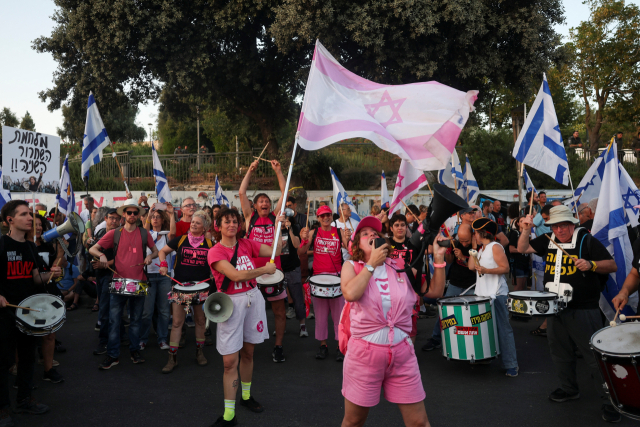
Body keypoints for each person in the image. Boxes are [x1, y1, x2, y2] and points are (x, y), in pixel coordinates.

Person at [339, 216, 446, 427]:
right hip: (364, 356)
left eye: (376, 233)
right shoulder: (352, 266)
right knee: (354, 421)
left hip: (402, 356)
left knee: (419, 422)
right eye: (365, 233)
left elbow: (434, 291)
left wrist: (439, 259)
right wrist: (371, 264)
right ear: (357, 245)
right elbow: (350, 293)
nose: (372, 235)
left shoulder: (401, 267)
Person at [517, 205, 620, 422]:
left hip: (583, 308)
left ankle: (611, 401)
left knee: (594, 357)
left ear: (572, 224)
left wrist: (591, 264)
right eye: (556, 225)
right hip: (554, 307)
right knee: (560, 352)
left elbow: (612, 266)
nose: (560, 230)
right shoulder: (548, 239)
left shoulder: (586, 240)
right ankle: (569, 388)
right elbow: (522, 249)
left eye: (564, 225)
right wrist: (526, 229)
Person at [207, 207, 283, 427]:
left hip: (253, 299)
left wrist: (279, 227)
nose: (232, 225)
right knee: (230, 362)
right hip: (230, 304)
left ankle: (246, 397)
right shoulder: (216, 251)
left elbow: (276, 250)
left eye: (235, 222)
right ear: (218, 226)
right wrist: (263, 270)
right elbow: (235, 275)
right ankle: (229, 414)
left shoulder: (248, 243)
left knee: (249, 353)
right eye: (227, 222)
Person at [0, 200, 63, 423]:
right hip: (5, 313)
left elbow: (36, 278)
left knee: (27, 358)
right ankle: (3, 407)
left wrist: (51, 274)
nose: (31, 218)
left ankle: (24, 400)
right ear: (10, 220)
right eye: (24, 214)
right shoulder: (1, 244)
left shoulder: (29, 247)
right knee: (4, 361)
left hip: (28, 311)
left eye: (30, 214)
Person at [89, 199, 159, 370]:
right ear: (124, 214)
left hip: (139, 281)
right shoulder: (115, 233)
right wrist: (102, 256)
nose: (133, 215)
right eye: (129, 213)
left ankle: (134, 351)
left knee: (136, 320)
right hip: (119, 282)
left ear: (138, 215)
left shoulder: (144, 234)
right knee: (114, 320)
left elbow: (156, 251)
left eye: (136, 213)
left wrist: (151, 256)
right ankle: (113, 355)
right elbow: (93, 248)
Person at [239, 158, 289, 362]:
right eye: (261, 201)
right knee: (248, 311)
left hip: (273, 272)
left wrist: (278, 171)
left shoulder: (275, 217)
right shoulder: (250, 218)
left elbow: (285, 192)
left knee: (279, 311)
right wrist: (250, 170)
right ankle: (246, 345)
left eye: (267, 201)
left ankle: (278, 346)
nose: (265, 203)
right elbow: (242, 192)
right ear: (255, 205)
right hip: (252, 274)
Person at [158, 210, 213, 372]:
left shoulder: (210, 245)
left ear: (204, 227)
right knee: (176, 323)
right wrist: (163, 265)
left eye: (197, 223)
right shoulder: (181, 240)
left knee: (200, 321)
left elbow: (217, 262)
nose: (193, 224)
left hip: (202, 288)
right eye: (193, 222)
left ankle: (200, 352)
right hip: (179, 287)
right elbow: (162, 252)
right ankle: (172, 358)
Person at [467, 218, 519, 377]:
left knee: (503, 329)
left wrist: (485, 270)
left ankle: (511, 364)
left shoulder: (495, 247)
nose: (473, 235)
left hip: (496, 294)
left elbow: (505, 268)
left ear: (481, 233)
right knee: (485, 328)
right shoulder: (482, 249)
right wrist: (473, 250)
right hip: (483, 294)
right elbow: (471, 267)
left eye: (475, 232)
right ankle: (487, 356)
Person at [299, 205, 350, 360]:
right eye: (322, 216)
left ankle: (339, 346)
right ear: (318, 218)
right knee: (320, 316)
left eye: (328, 215)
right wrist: (304, 240)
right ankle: (323, 345)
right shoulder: (313, 233)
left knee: (338, 316)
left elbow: (351, 250)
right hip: (318, 280)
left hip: (336, 279)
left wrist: (348, 239)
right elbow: (301, 252)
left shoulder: (339, 232)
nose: (326, 218)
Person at [422, 223, 477, 351]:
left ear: (473, 236)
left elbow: (478, 270)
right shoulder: (456, 243)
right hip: (455, 283)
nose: (463, 244)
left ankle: (469, 343)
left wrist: (464, 258)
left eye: (466, 241)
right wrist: (449, 251)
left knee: (471, 315)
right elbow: (450, 260)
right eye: (461, 240)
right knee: (445, 312)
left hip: (472, 286)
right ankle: (436, 338)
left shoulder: (478, 246)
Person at [140, 203, 176, 351]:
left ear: (162, 220)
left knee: (164, 310)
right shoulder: (146, 234)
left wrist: (172, 214)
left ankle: (162, 339)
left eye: (158, 217)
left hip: (164, 277)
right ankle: (142, 339)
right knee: (147, 311)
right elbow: (144, 232)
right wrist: (148, 215)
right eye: (153, 217)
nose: (155, 219)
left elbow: (173, 233)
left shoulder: (166, 236)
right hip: (148, 275)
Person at [387, 213, 422, 343]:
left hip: (409, 290)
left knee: (411, 326)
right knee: (390, 324)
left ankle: (410, 353)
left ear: (407, 226)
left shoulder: (414, 244)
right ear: (391, 228)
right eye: (396, 225)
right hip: (389, 292)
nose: (400, 228)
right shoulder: (386, 244)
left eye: (403, 225)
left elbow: (416, 269)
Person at [278, 212, 308, 344]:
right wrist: (279, 227)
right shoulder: (276, 228)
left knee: (297, 298)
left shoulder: (295, 227)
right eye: (282, 218)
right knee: (279, 301)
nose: (284, 220)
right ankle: (280, 327)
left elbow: (297, 245)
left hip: (293, 268)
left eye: (286, 218)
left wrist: (289, 229)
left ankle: (302, 326)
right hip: (279, 269)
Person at [507, 217, 530, 292]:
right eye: (521, 221)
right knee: (518, 288)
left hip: (526, 264)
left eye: (525, 221)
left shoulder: (528, 234)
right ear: (518, 223)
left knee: (523, 287)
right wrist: (523, 250)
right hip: (518, 263)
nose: (524, 222)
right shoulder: (515, 233)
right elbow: (511, 249)